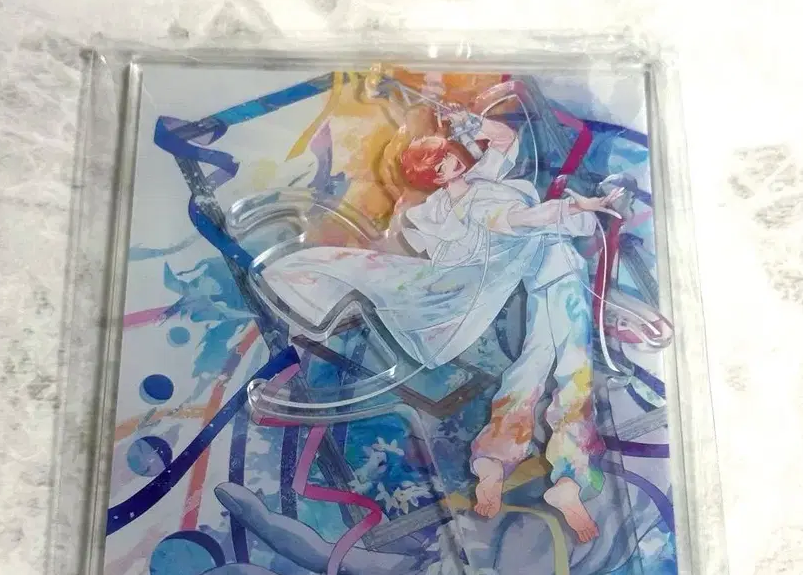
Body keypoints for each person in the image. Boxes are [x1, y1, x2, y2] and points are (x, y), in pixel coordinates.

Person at [259, 110, 619, 540]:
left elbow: (505, 141)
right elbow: (516, 220)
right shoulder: (469, 205)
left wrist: (473, 123)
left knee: (533, 365)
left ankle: (493, 463)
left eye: (447, 155)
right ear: (434, 177)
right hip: (557, 276)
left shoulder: (476, 184)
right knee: (572, 368)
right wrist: (578, 207)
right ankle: (569, 475)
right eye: (440, 165)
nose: (451, 162)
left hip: (545, 276)